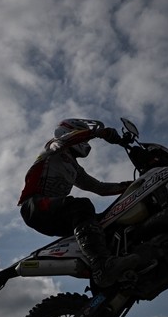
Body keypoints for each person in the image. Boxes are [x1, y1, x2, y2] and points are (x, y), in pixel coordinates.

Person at [17, 118, 139, 287]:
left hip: (55, 215)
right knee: (82, 205)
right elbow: (63, 142)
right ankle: (102, 265)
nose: (86, 143)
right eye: (85, 138)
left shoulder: (74, 167)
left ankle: (106, 274)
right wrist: (98, 133)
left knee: (105, 221)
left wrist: (131, 186)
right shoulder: (54, 147)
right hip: (35, 206)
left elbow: (99, 188)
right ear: (69, 131)